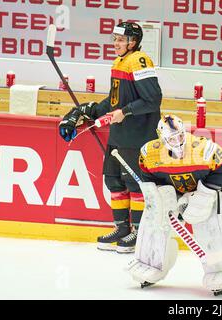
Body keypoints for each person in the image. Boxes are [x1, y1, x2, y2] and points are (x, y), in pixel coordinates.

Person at [58, 21, 162, 253]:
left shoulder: (139, 60)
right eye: (114, 39)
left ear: (133, 42)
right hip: (119, 135)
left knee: (135, 185)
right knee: (114, 181)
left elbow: (153, 100)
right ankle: (122, 229)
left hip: (137, 135)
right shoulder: (119, 62)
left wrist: (125, 112)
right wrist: (87, 110)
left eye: (121, 40)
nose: (116, 44)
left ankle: (137, 232)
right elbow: (114, 101)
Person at [125, 114, 222, 296]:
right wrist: (161, 194)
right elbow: (147, 174)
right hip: (175, 192)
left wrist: (205, 194)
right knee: (155, 220)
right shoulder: (150, 152)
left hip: (204, 190)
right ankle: (150, 263)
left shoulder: (202, 148)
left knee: (211, 227)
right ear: (161, 139)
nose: (177, 141)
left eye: (180, 135)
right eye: (172, 138)